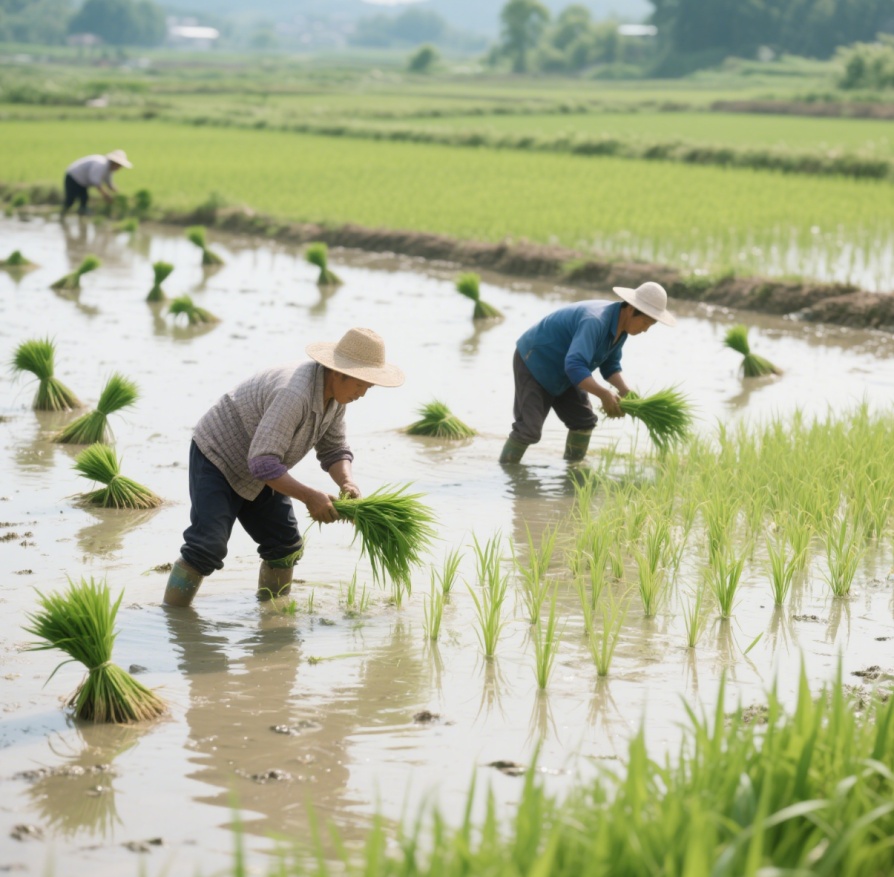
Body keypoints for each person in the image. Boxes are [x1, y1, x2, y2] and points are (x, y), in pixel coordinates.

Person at [163, 327, 405, 608]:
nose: (363, 393)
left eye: (369, 386)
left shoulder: (336, 399)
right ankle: (173, 620)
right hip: (219, 456)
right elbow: (263, 463)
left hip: (263, 467)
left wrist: (346, 483)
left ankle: (272, 615)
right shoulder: (295, 393)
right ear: (339, 373)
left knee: (284, 546)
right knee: (207, 547)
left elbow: (334, 449)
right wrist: (310, 496)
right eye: (361, 384)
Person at [499, 281, 676, 464]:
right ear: (631, 309)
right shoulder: (596, 320)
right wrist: (604, 394)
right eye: (645, 322)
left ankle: (572, 472)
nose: (645, 330)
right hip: (536, 361)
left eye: (650, 325)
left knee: (584, 422)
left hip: (566, 369)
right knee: (529, 430)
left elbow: (610, 364)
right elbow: (575, 366)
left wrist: (625, 391)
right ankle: (507, 474)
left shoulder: (621, 329)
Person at [61, 149, 132, 216]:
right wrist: (106, 195)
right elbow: (95, 181)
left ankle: (81, 216)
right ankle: (62, 214)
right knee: (70, 200)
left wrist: (118, 194)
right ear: (114, 163)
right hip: (73, 177)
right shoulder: (101, 164)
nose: (119, 168)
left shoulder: (109, 169)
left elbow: (109, 183)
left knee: (84, 200)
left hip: (83, 182)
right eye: (119, 165)